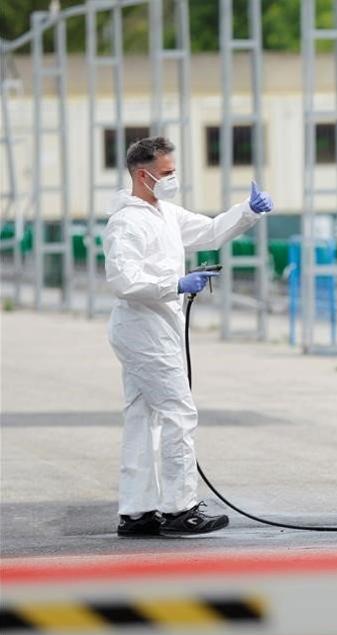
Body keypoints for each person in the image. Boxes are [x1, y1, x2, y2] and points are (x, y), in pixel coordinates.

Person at [104, 136, 273, 537]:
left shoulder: (164, 213)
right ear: (141, 175)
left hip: (158, 326)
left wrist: (247, 211)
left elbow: (211, 232)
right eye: (166, 173)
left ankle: (138, 510)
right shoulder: (126, 222)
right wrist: (175, 283)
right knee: (179, 413)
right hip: (143, 328)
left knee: (142, 418)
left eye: (173, 171)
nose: (172, 178)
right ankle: (180, 508)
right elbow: (123, 281)